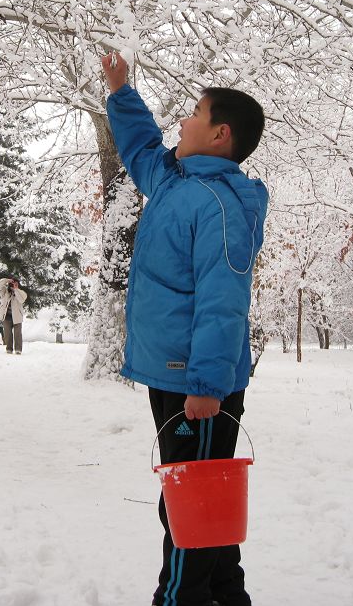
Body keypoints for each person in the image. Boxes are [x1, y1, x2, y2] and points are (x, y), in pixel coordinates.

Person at [101, 51, 269, 606]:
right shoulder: (174, 183)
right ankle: (225, 597)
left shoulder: (219, 206)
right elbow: (142, 149)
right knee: (206, 502)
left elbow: (225, 304)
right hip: (175, 376)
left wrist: (205, 386)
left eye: (195, 112)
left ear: (220, 135)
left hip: (194, 385)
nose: (183, 119)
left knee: (189, 508)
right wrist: (122, 93)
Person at [0, 277, 27, 354]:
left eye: (15, 284)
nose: (13, 285)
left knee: (17, 334)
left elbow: (22, 299)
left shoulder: (21, 292)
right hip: (6, 317)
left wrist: (16, 290)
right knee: (7, 333)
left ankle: (18, 349)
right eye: (12, 284)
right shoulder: (4, 292)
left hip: (17, 317)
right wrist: (6, 280)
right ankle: (9, 349)